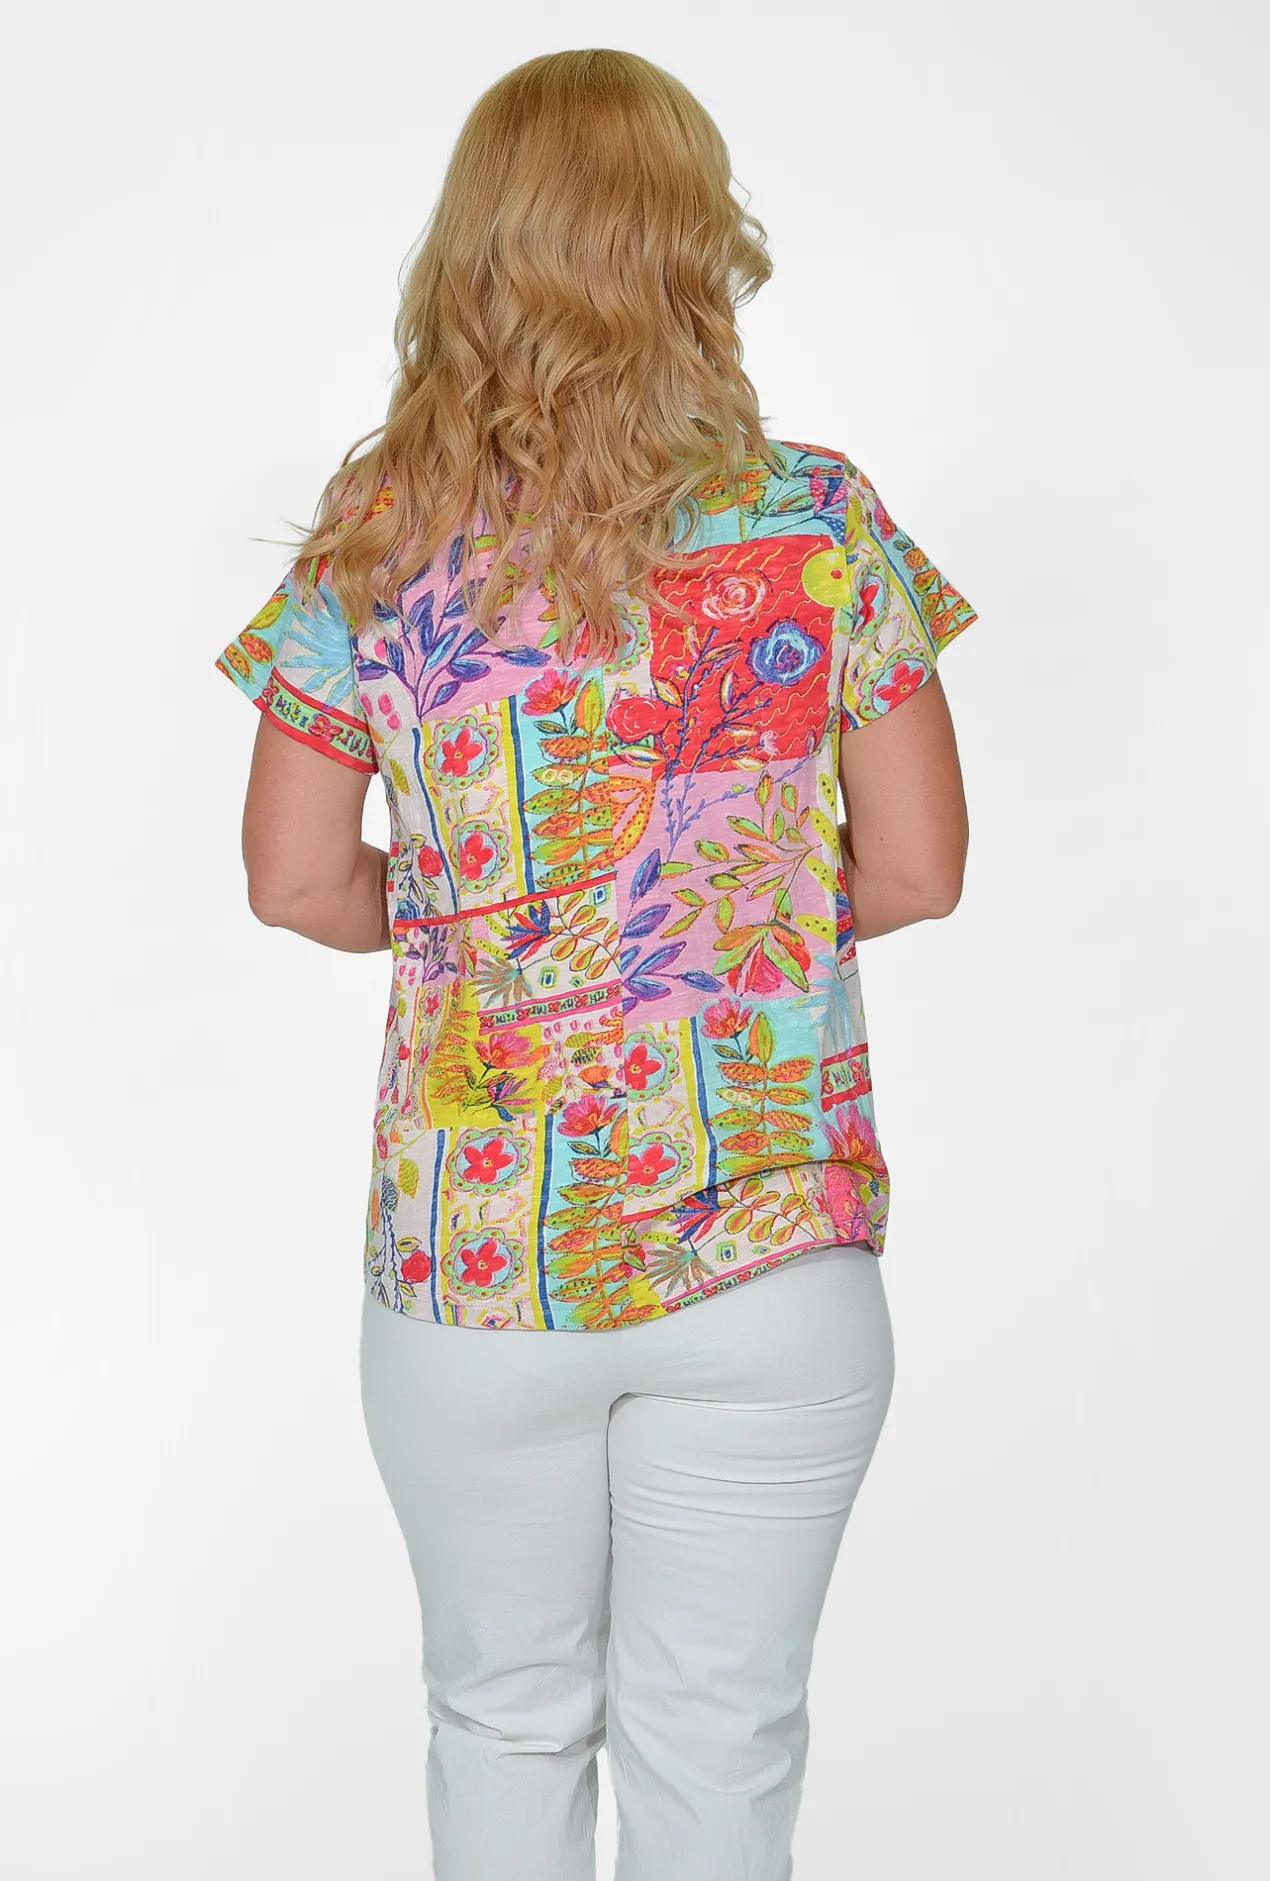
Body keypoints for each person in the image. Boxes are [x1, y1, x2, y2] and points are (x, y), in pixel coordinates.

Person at [214, 47, 976, 1881]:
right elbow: (919, 869)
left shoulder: (377, 537)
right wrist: (714, 915)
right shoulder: (816, 520)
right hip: (766, 1244)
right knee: (721, 1744)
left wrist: (495, 926)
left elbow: (293, 883)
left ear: (470, 248)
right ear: (696, 242)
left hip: (476, 1261)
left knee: (500, 1720)